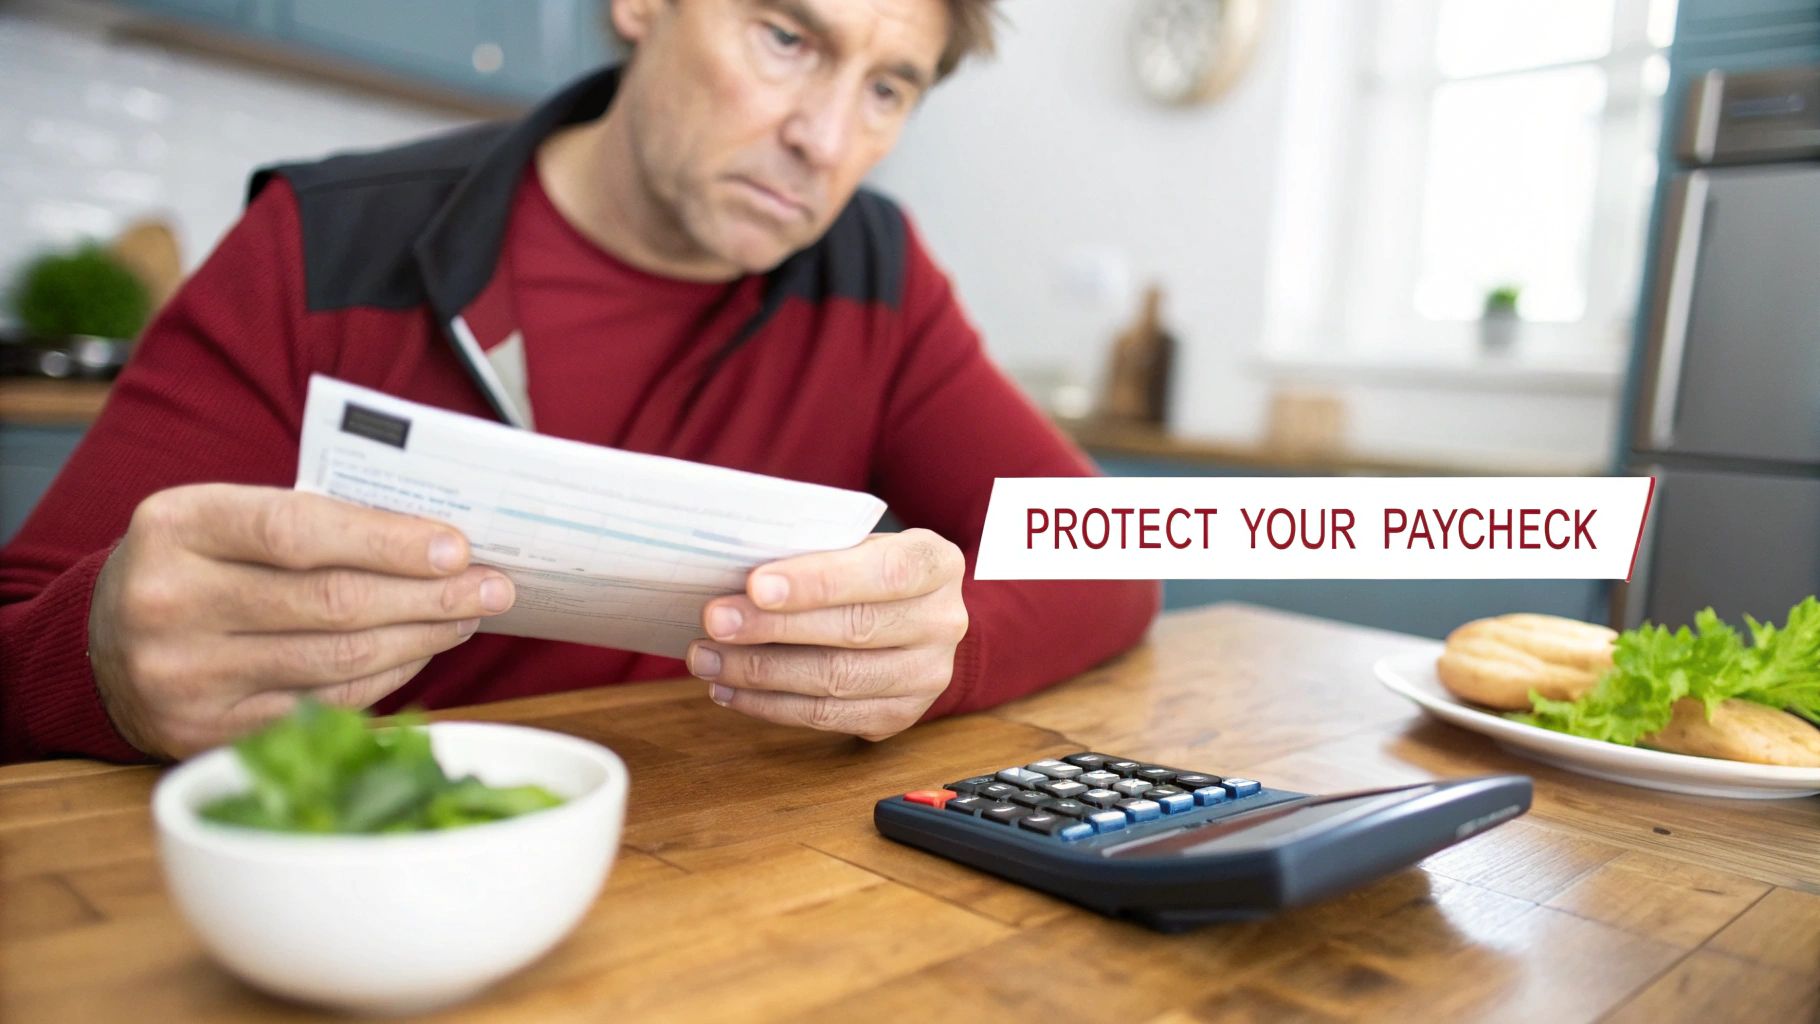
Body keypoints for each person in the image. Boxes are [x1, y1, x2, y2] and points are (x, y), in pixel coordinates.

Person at [0, 0, 1159, 764]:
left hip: (709, 873)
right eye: (786, 38)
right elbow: (19, 642)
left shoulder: (874, 279)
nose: (823, 136)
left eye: (887, 89)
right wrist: (108, 650)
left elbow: (1108, 551)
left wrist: (933, 647)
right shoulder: (322, 247)